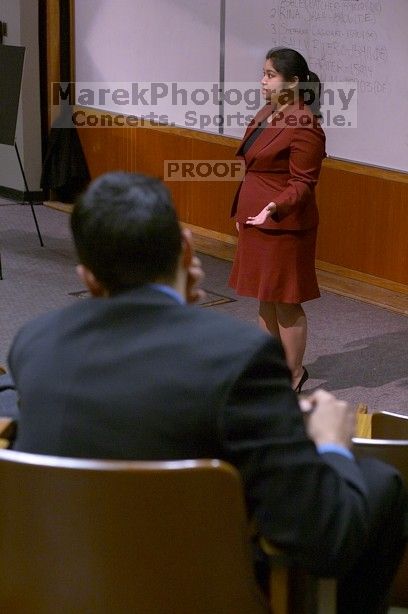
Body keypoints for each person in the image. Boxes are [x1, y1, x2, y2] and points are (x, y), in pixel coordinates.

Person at [8, 172, 407, 613]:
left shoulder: (35, 342)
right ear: (185, 249)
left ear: (88, 278)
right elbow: (322, 538)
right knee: (381, 482)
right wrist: (331, 447)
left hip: (63, 585)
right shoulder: (241, 354)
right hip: (202, 595)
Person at [229, 47, 326, 392]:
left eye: (270, 74)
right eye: (264, 73)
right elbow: (254, 168)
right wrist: (243, 211)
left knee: (285, 300)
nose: (263, 80)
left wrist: (273, 207)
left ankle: (294, 374)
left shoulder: (304, 124)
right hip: (256, 220)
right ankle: (270, 371)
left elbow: (303, 183)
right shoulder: (268, 111)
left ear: (294, 82)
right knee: (265, 297)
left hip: (284, 224)